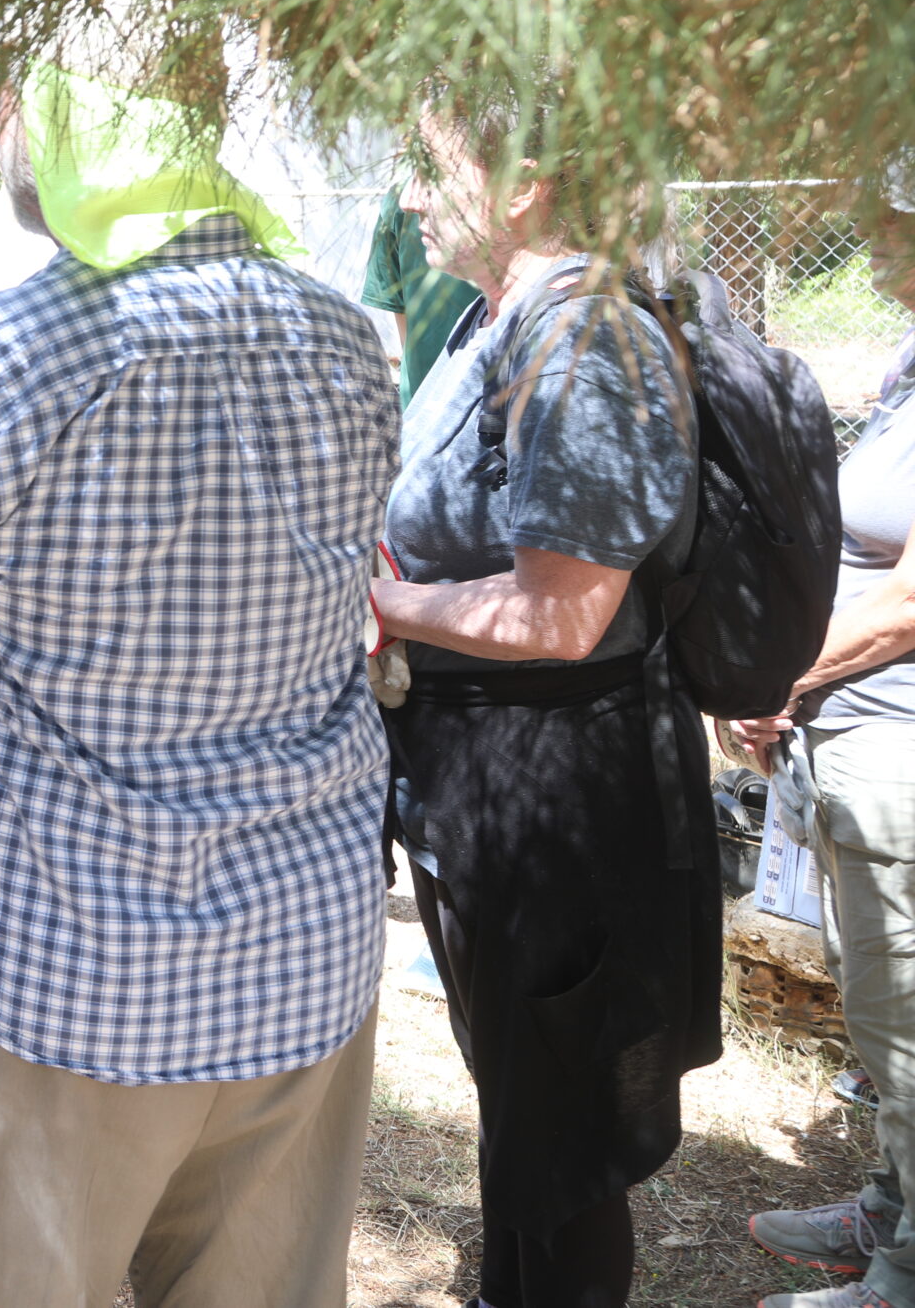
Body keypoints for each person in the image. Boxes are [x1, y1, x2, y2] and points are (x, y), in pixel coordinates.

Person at [0, 59, 398, 1308]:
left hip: (59, 975)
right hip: (301, 955)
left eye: (14, 99)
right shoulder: (347, 343)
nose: (1, 130)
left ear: (62, 126)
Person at [371, 96, 716, 1308]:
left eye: (427, 163)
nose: (407, 193)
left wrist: (378, 603)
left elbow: (561, 615)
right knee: (519, 1101)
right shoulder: (501, 319)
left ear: (522, 181)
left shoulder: (583, 344)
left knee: (565, 1146)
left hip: (564, 797)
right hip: (488, 785)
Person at [736, 200, 915, 1308]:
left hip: (899, 746)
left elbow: (908, 601)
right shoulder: (907, 363)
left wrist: (778, 675)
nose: (874, 232)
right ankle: (889, 1211)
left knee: (908, 1026)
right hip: (854, 736)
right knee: (879, 1014)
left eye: (898, 216)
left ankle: (902, 1276)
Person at [364, 189, 484, 403]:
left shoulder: (400, 195)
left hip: (427, 394)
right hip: (480, 390)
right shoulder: (400, 198)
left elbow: (398, 304)